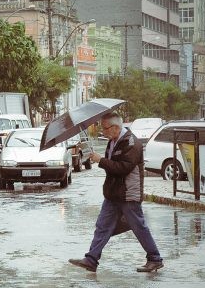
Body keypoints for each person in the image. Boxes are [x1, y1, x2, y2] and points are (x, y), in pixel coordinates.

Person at [69, 112, 164, 273]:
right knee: (102, 226)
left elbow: (123, 168)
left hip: (128, 193)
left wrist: (101, 160)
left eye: (105, 129)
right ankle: (91, 259)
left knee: (138, 227)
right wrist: (101, 161)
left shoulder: (132, 143)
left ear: (116, 127)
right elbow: (112, 166)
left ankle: (155, 258)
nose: (103, 132)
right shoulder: (113, 141)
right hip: (113, 193)